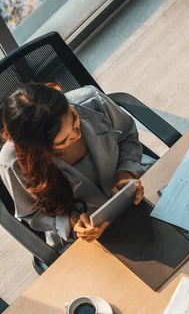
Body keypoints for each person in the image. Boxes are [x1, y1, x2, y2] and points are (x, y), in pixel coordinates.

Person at [0, 83, 151, 251]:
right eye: (63, 141)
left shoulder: (91, 100)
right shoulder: (12, 162)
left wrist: (126, 173)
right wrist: (72, 222)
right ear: (39, 149)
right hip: (88, 237)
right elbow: (31, 213)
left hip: (137, 192)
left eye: (75, 121)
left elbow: (128, 136)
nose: (77, 135)